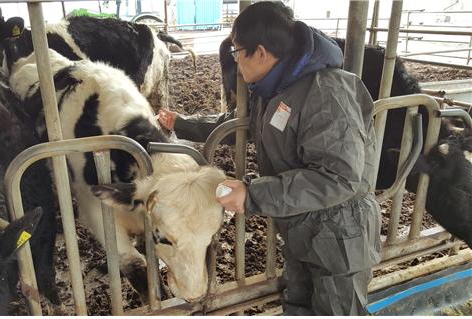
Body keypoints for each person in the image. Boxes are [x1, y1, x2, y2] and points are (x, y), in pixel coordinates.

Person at [158, 1, 381, 316]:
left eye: (237, 52)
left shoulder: (328, 94)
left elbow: (338, 178)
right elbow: (239, 122)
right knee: (298, 306)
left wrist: (253, 194)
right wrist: (181, 124)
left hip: (340, 238)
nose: (236, 63)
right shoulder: (277, 89)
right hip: (303, 226)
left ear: (260, 52)